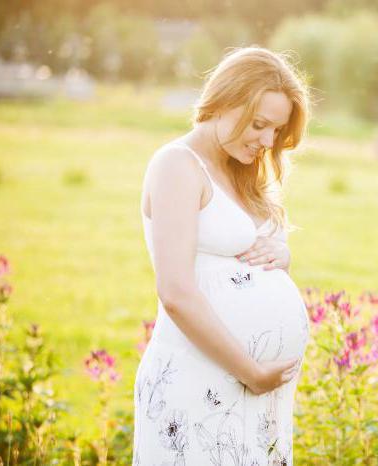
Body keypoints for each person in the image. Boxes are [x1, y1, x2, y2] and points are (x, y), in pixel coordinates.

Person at [133, 46, 311, 465]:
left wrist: (280, 257)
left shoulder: (239, 171)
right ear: (226, 101)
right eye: (260, 124)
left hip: (256, 393)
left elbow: (238, 259)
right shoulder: (177, 164)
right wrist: (251, 371)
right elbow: (175, 291)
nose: (268, 141)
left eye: (276, 131)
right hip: (204, 379)